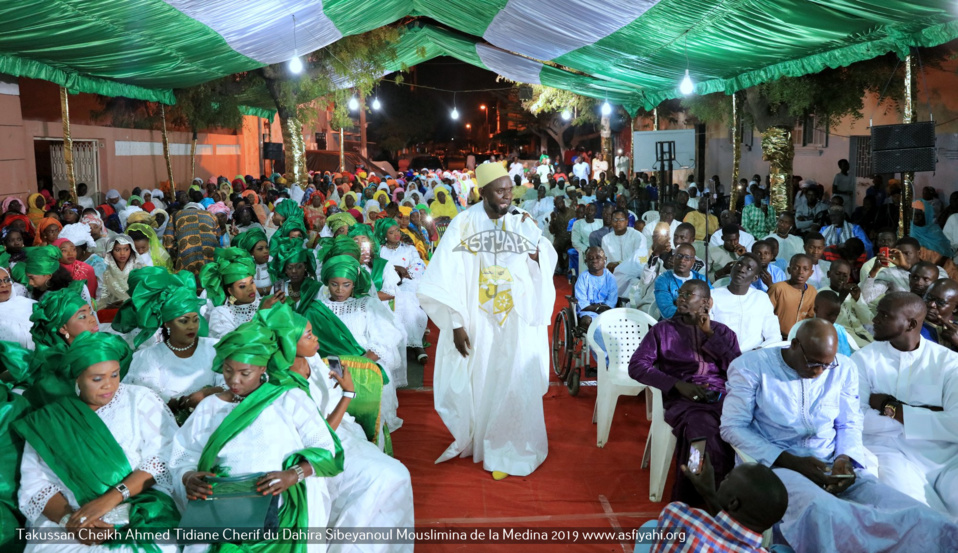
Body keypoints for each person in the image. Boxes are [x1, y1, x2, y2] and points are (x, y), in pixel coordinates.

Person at [722, 319, 958, 552]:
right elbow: (733, 426)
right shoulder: (750, 367)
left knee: (911, 510)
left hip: (831, 461)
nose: (819, 372)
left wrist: (844, 460)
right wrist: (790, 461)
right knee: (825, 512)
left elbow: (849, 422)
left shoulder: (844, 367)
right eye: (814, 363)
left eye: (827, 365)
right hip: (777, 465)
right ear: (794, 345)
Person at [417, 162, 557, 480]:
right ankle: (485, 441)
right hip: (478, 316)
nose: (507, 196)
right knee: (480, 379)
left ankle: (511, 444)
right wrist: (456, 323)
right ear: (482, 192)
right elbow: (443, 277)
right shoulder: (463, 224)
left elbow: (545, 253)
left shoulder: (522, 220)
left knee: (514, 380)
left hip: (516, 316)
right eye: (500, 190)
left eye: (510, 189)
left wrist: (537, 256)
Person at [170, 313, 344, 550]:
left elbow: (326, 449)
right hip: (222, 504)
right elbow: (184, 453)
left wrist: (293, 474)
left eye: (244, 373)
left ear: (262, 367)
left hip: (281, 504)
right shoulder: (211, 406)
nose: (234, 380)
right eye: (228, 370)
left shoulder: (289, 398)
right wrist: (189, 477)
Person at [14, 332, 180, 552]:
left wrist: (110, 499)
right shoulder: (52, 420)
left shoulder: (139, 399)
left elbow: (162, 456)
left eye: (115, 374)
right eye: (97, 379)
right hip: (72, 514)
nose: (108, 385)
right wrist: (70, 521)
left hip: (138, 503)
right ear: (76, 378)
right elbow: (36, 484)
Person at [285, 305, 415, 552]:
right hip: (316, 448)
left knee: (396, 476)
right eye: (309, 336)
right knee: (384, 478)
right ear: (289, 343)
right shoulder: (283, 381)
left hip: (341, 432)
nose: (317, 339)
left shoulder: (315, 360)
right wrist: (348, 393)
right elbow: (320, 434)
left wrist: (341, 388)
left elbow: (331, 397)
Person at [630, 280, 740, 503]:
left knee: (739, 433)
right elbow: (637, 366)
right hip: (684, 400)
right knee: (702, 436)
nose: (681, 297)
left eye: (689, 294)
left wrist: (709, 335)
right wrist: (677, 385)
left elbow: (738, 370)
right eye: (680, 293)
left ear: (706, 303)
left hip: (722, 398)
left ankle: (734, 495)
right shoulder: (663, 330)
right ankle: (694, 497)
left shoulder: (722, 332)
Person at [854, 292, 958, 517]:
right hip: (890, 451)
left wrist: (888, 407)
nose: (874, 320)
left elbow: (956, 425)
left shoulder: (949, 363)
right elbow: (857, 419)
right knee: (913, 512)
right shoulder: (863, 360)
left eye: (884, 315)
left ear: (910, 323)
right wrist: (929, 414)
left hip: (946, 457)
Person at [118, 269, 223, 422]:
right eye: (184, 321)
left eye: (195, 319)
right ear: (167, 322)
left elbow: (230, 383)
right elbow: (149, 399)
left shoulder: (214, 348)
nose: (192, 326)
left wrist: (209, 393)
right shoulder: (149, 357)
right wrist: (185, 402)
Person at [320, 251, 405, 431]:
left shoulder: (366, 304)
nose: (340, 290)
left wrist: (360, 364)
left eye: (346, 284)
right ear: (327, 283)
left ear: (354, 284)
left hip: (366, 364)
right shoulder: (319, 309)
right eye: (334, 284)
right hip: (331, 367)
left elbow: (387, 336)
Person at [648, 454, 789, 553]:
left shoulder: (675, 514)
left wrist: (709, 495)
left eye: (727, 478)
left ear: (733, 503)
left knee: (649, 527)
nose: (721, 481)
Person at [710, 254, 782, 351]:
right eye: (739, 265)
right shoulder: (713, 295)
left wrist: (758, 350)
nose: (742, 269)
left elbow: (774, 336)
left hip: (752, 356)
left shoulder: (761, 298)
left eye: (749, 268)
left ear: (755, 278)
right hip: (719, 354)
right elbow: (707, 330)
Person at [202, 247, 274, 339]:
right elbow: (233, 342)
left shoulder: (264, 303)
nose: (250, 289)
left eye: (252, 282)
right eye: (242, 286)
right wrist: (261, 314)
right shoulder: (221, 314)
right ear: (230, 291)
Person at [816, 258, 874, 347]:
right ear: (829, 274)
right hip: (842, 337)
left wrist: (858, 299)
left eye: (845, 275)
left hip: (863, 334)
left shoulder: (852, 293)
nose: (841, 278)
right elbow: (825, 321)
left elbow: (867, 319)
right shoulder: (821, 294)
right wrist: (842, 296)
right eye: (838, 274)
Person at [787, 291, 859, 356]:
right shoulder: (801, 328)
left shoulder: (840, 330)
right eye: (829, 314)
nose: (833, 318)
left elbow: (855, 352)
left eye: (836, 314)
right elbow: (793, 353)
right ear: (816, 310)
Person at [162, 199, 219, 275]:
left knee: (187, 279)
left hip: (187, 250)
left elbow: (168, 241)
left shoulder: (176, 214)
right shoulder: (210, 214)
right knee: (209, 277)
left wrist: (173, 260)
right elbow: (217, 236)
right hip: (209, 250)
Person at [654, 244, 710, 320]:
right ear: (673, 258)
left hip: (699, 321)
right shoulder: (663, 280)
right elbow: (666, 310)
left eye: (687, 258)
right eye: (679, 256)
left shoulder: (701, 279)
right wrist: (693, 315)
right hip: (672, 323)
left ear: (693, 261)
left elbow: (711, 302)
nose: (682, 260)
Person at [768, 254, 817, 338]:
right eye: (796, 268)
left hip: (800, 338)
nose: (800, 272)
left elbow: (810, 317)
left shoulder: (812, 291)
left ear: (811, 273)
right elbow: (766, 314)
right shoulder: (778, 288)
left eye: (805, 269)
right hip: (776, 337)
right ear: (789, 270)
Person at [574, 247, 617, 332]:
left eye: (598, 257)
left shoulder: (610, 278)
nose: (594, 261)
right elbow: (583, 304)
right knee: (587, 321)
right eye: (590, 258)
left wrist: (601, 309)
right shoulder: (583, 278)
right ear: (586, 262)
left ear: (605, 259)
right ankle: (592, 344)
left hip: (606, 312)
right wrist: (597, 308)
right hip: (588, 312)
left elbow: (611, 301)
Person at [601, 207, 647, 274]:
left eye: (621, 220)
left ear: (626, 221)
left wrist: (620, 264)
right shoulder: (606, 239)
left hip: (634, 274)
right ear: (611, 221)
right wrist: (609, 265)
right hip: (614, 273)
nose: (618, 222)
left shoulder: (638, 236)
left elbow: (639, 259)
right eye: (615, 220)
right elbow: (605, 260)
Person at [232, 227, 272, 297]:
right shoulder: (243, 268)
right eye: (260, 249)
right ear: (251, 253)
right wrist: (265, 290)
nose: (266, 251)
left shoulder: (273, 263)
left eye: (267, 247)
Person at [922, 278, 958, 348]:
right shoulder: (913, 326)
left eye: (940, 302)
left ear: (955, 308)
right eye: (928, 297)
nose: (931, 304)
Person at [571, 203, 602, 275]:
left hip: (599, 253)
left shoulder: (600, 222)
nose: (590, 212)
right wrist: (587, 250)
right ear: (585, 211)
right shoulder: (578, 224)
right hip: (585, 253)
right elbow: (575, 241)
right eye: (588, 209)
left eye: (592, 210)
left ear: (595, 212)